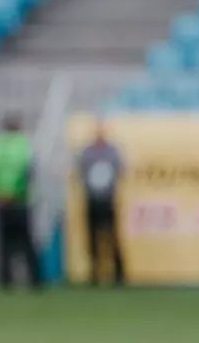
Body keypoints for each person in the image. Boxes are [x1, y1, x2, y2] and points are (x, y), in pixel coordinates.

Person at [0, 113, 42, 290]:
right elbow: (28, 173)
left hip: (1, 201)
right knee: (26, 242)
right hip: (20, 200)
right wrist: (15, 193)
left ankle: (6, 280)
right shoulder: (24, 145)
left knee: (4, 243)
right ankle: (35, 280)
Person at [77, 119, 125, 286]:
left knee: (112, 237)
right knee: (92, 238)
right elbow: (80, 171)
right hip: (92, 198)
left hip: (107, 199)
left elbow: (120, 170)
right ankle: (95, 272)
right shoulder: (87, 152)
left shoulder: (112, 151)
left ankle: (118, 274)